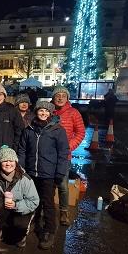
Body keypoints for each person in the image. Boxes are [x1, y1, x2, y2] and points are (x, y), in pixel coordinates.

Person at [18, 101, 69, 250]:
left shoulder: (57, 130)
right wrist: (22, 167)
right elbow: (22, 149)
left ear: (51, 113)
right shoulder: (29, 129)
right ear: (36, 112)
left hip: (48, 173)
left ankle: (49, 230)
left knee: (47, 203)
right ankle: (32, 223)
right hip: (31, 172)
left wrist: (60, 172)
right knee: (32, 200)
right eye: (40, 110)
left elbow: (63, 153)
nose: (43, 113)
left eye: (46, 111)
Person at [51, 86, 85, 226]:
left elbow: (80, 133)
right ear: (53, 98)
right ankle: (47, 209)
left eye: (63, 95)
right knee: (48, 184)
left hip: (65, 156)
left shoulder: (73, 113)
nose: (60, 98)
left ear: (67, 98)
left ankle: (64, 212)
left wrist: (68, 147)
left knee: (63, 185)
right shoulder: (49, 111)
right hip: (48, 155)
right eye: (57, 95)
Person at [0, 146, 39, 248]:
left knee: (19, 227)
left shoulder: (25, 179)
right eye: (5, 160)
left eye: (11, 160)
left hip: (21, 209)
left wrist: (16, 205)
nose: (8, 163)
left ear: (16, 162)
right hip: (3, 208)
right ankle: (0, 229)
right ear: (0, 162)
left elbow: (34, 201)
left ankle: (22, 234)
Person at [0, 82, 24, 157]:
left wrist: (14, 148)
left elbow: (19, 131)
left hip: (8, 152)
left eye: (1, 94)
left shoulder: (13, 111)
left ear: (4, 96)